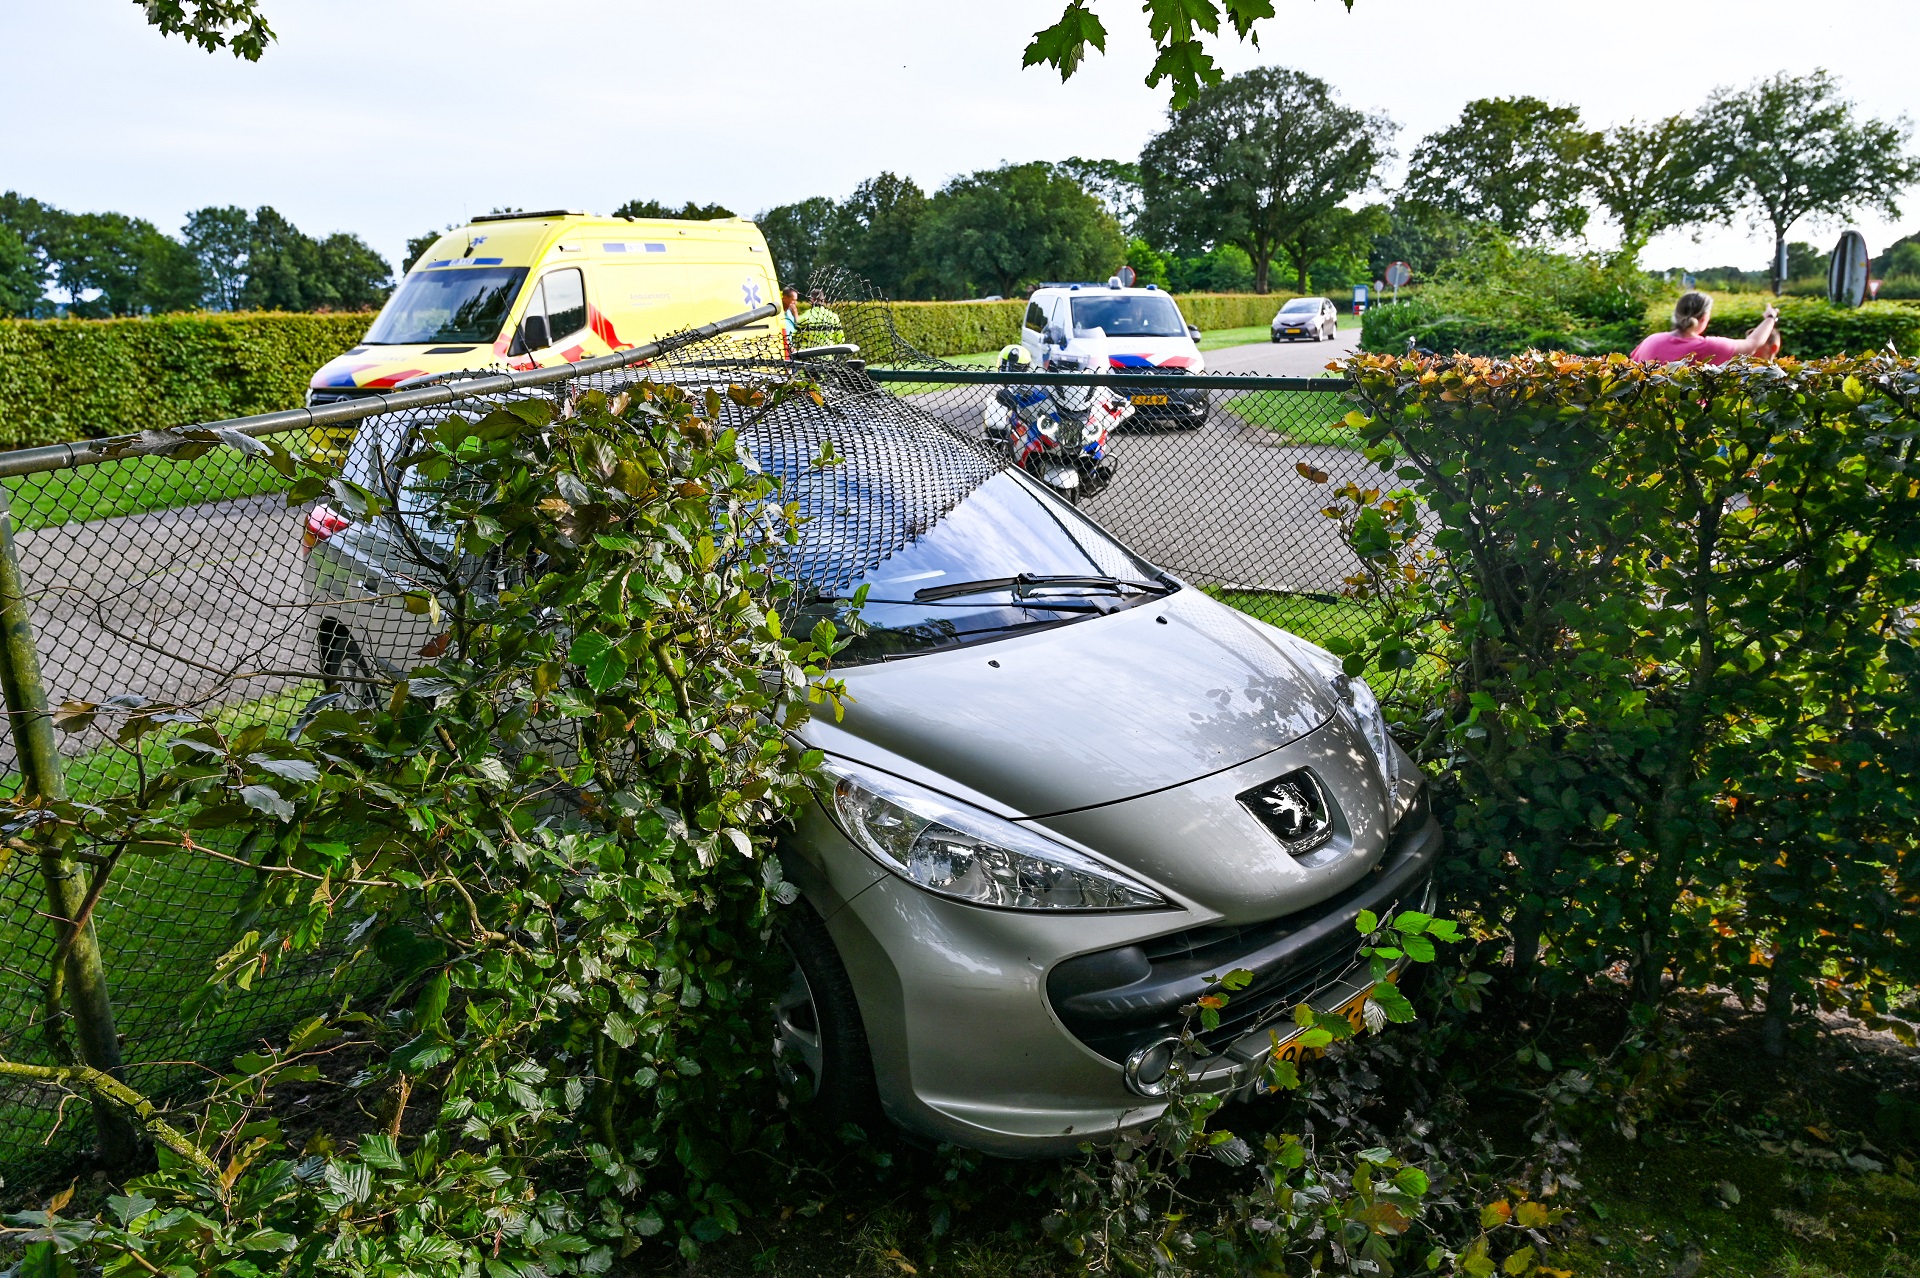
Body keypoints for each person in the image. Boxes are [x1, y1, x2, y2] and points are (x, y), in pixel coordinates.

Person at [1630, 291, 1780, 364]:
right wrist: (1770, 317)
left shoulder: (1651, 340)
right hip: (1686, 423)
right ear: (1704, 318)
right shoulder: (1706, 346)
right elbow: (1752, 344)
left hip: (1644, 422)